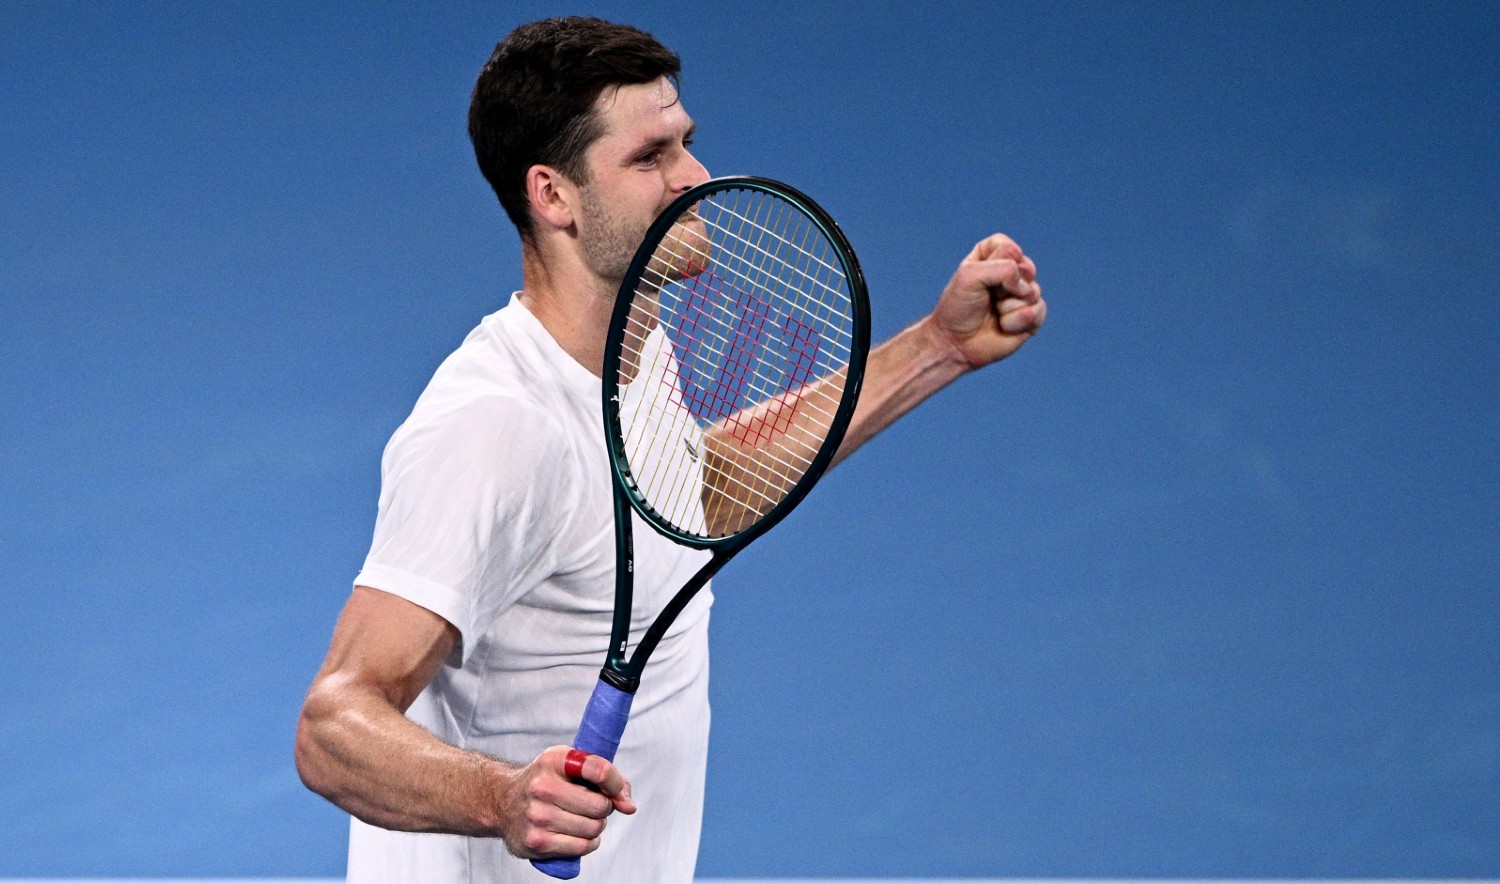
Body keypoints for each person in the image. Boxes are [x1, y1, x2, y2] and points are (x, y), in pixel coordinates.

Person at [294, 15, 1046, 884]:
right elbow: (333, 726)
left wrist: (936, 350)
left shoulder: (636, 342)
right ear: (554, 195)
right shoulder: (492, 430)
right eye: (650, 157)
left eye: (686, 142)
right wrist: (501, 798)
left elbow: (685, 494)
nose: (696, 178)